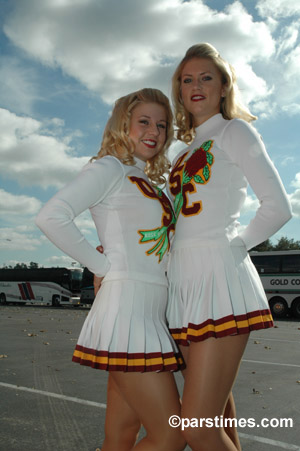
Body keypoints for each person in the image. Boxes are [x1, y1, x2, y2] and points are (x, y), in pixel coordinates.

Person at [35, 88, 186, 451]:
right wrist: (101, 264)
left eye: (163, 125)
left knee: (120, 435)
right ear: (123, 125)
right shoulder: (109, 168)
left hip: (151, 311)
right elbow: (51, 217)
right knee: (171, 436)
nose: (155, 131)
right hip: (127, 310)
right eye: (144, 121)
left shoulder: (148, 180)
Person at [166, 43, 292, 451]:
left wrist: (233, 249)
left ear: (223, 86)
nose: (196, 86)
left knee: (196, 428)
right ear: (179, 91)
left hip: (219, 278)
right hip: (182, 286)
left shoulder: (234, 130)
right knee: (216, 414)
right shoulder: (180, 150)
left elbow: (278, 207)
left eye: (206, 77)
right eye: (187, 80)